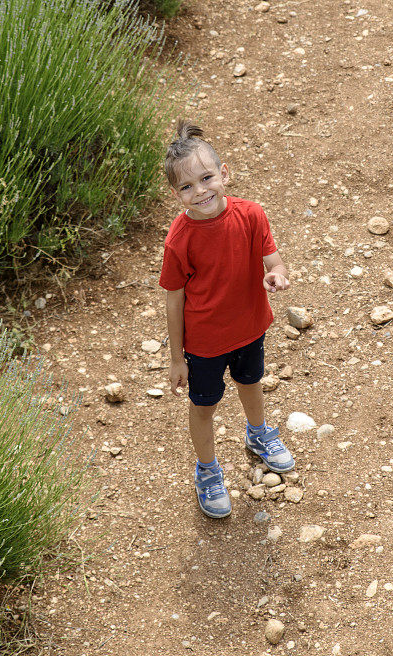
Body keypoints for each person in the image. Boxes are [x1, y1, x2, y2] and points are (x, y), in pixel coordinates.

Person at [159, 121, 295, 518]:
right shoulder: (179, 239)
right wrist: (176, 357)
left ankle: (258, 434)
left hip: (249, 326)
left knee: (251, 382)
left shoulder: (251, 215)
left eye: (206, 178)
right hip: (203, 342)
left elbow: (271, 256)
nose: (200, 191)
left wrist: (277, 274)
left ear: (224, 174)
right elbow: (174, 299)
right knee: (204, 404)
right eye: (187, 187)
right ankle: (207, 470)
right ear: (175, 194)